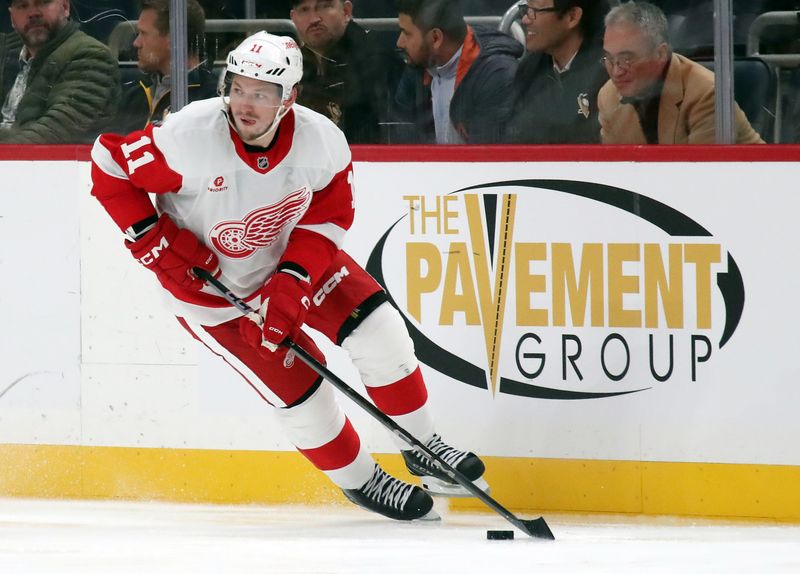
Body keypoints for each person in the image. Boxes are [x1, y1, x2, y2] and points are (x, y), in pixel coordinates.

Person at [89, 32, 488, 522]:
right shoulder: (187, 139)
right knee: (304, 396)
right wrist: (152, 242)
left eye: (262, 92)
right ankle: (363, 481)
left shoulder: (321, 141)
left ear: (289, 98)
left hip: (291, 264)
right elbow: (108, 162)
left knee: (381, 333)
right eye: (238, 88)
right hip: (215, 296)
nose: (246, 103)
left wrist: (295, 280)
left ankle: (425, 446)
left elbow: (329, 215)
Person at [597, 1, 764, 144]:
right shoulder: (608, 96)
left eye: (627, 59)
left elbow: (702, 173)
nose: (616, 71)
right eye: (609, 59)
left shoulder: (706, 93)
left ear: (660, 54)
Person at [393, 0, 523, 144]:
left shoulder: (495, 74)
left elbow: (489, 159)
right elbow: (402, 141)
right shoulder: (417, 67)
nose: (400, 42)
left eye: (406, 33)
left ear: (435, 38)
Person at [0, 0, 120, 143]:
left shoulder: (91, 55)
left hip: (53, 162)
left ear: (65, 7)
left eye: (43, 2)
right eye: (23, 6)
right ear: (12, 18)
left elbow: (55, 131)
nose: (33, 13)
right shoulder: (7, 53)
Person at [289, 0, 405, 143]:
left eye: (325, 6)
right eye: (304, 9)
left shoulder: (377, 60)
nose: (314, 19)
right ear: (293, 18)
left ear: (346, 11)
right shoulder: (290, 66)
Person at [505, 0, 609, 144]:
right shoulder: (529, 68)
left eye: (535, 11)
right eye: (526, 9)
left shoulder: (608, 73)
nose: (525, 19)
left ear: (572, 17)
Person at [111, 0, 218, 134]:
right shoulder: (136, 95)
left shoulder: (213, 101)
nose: (136, 43)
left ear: (173, 39)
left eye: (143, 33)